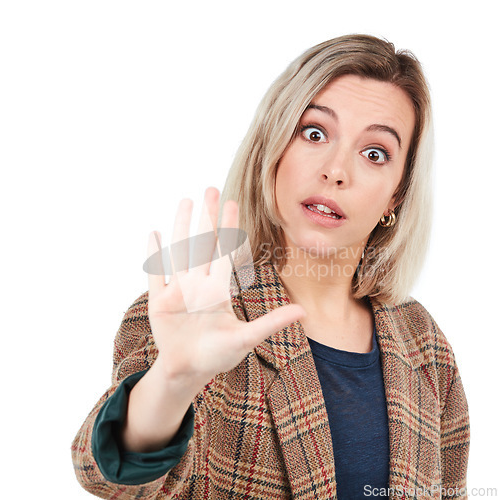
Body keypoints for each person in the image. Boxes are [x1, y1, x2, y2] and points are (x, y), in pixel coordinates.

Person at [72, 34, 470, 499]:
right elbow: (111, 479)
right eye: (315, 133)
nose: (337, 170)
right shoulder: (191, 311)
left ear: (396, 195)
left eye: (375, 152)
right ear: (274, 148)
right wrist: (173, 380)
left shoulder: (424, 344)